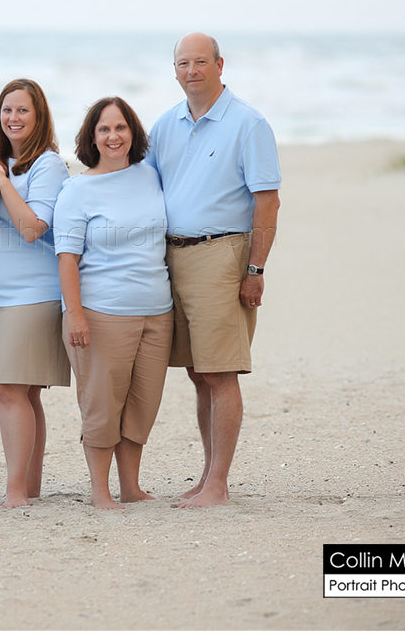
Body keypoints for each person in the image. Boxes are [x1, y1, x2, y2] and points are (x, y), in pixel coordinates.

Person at [146, 32, 281, 508]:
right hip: (171, 257)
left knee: (220, 372)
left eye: (201, 62)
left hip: (221, 255)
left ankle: (218, 485)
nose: (192, 71)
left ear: (220, 65)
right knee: (197, 372)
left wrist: (255, 269)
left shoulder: (248, 123)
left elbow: (268, 202)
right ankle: (207, 478)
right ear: (175, 70)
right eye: (183, 63)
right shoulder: (165, 125)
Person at [53, 97, 173, 510]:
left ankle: (131, 487)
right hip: (102, 313)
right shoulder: (77, 190)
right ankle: (100, 491)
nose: (113, 136)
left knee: (142, 405)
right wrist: (75, 315)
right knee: (102, 405)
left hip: (157, 311)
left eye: (120, 127)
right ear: (91, 138)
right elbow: (66, 258)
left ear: (133, 133)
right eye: (104, 129)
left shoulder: (149, 175)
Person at [0, 79, 71, 508]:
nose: (13, 117)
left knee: (10, 390)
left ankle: (14, 492)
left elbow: (32, 229)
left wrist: (1, 182)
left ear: (39, 115)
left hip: (30, 296)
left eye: (23, 110)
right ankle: (29, 487)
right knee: (22, 393)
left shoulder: (48, 165)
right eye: (7, 109)